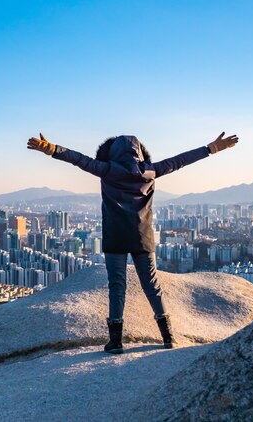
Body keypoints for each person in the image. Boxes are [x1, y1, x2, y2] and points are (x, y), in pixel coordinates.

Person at [27, 132, 239, 354]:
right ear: (139, 152)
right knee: (152, 286)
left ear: (112, 152)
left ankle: (116, 342)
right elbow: (181, 160)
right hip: (143, 237)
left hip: (115, 236)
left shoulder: (107, 170)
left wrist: (52, 149)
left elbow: (78, 159)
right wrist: (211, 148)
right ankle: (168, 337)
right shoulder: (152, 171)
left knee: (117, 287)